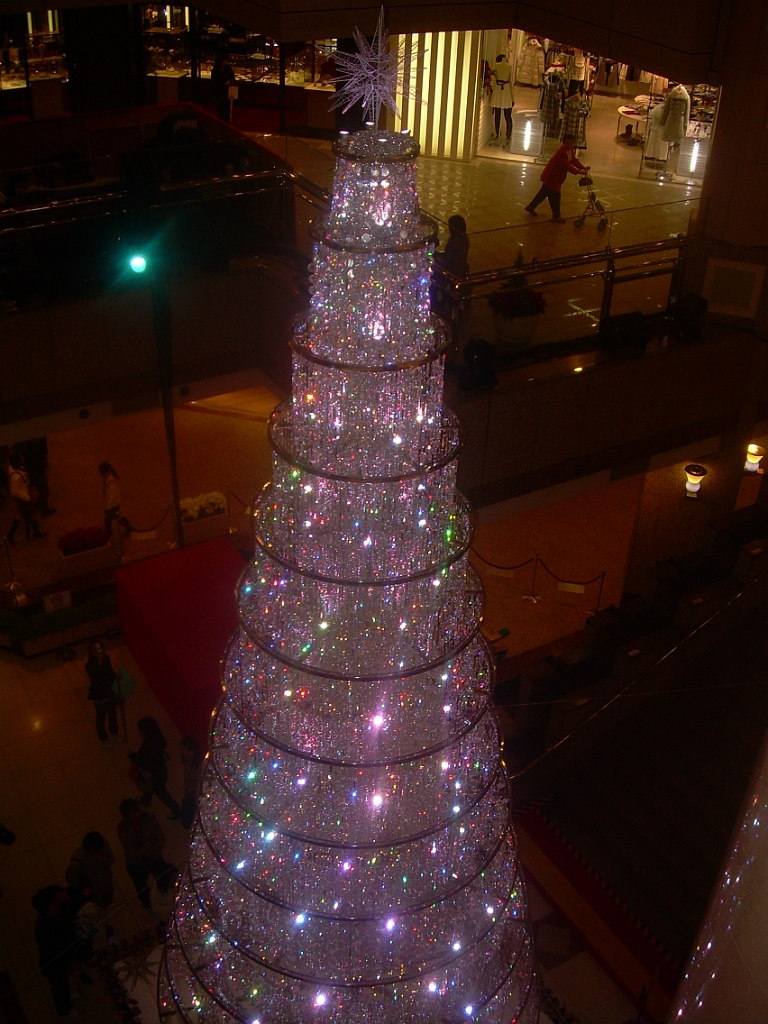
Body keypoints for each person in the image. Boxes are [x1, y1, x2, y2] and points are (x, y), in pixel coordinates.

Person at [117, 799, 177, 915]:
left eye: (137, 812)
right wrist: (148, 848)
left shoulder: (149, 819)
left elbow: (160, 839)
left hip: (154, 857)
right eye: (132, 814)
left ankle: (166, 897)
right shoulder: (123, 828)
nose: (137, 815)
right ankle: (147, 906)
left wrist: (147, 850)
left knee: (163, 877)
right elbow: (130, 850)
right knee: (141, 886)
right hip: (136, 863)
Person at [32, 885, 77, 1017]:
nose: (57, 903)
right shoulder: (43, 924)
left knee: (63, 984)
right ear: (48, 906)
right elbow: (55, 946)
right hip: (53, 963)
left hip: (60, 959)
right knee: (60, 986)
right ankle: (66, 1010)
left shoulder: (55, 916)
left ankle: (68, 1002)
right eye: (54, 902)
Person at [524, 133, 588, 222]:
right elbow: (568, 166)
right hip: (553, 177)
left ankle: (531, 206)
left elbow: (574, 161)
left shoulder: (570, 151)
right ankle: (556, 216)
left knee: (544, 192)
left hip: (553, 176)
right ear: (564, 143)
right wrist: (580, 171)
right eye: (568, 143)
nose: (569, 145)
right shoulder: (561, 153)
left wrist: (583, 168)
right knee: (555, 195)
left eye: (571, 143)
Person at [130, 717, 182, 820]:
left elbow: (144, 763)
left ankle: (177, 811)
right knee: (153, 789)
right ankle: (145, 800)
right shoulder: (158, 737)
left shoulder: (147, 747)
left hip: (154, 776)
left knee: (162, 794)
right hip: (161, 771)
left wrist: (133, 757)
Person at [66, 831, 115, 912]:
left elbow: (111, 860)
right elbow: (72, 887)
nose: (100, 853)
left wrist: (105, 860)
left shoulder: (102, 843)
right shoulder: (77, 864)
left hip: (106, 886)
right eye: (96, 852)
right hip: (93, 896)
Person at [85, 641, 120, 749]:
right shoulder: (89, 666)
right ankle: (104, 738)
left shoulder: (106, 658)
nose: (97, 651)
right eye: (94, 649)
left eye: (99, 648)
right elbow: (96, 680)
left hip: (109, 692)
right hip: (99, 694)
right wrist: (99, 663)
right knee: (101, 718)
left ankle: (114, 732)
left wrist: (116, 677)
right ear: (91, 652)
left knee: (112, 714)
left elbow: (110, 672)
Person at [6, 450, 45, 544]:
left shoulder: (14, 471)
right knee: (31, 514)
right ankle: (35, 531)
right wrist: (26, 498)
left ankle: (11, 535)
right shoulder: (17, 477)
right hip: (23, 499)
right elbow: (15, 491)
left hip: (22, 498)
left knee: (23, 515)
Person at [20, 436, 56, 516]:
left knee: (44, 491)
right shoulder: (31, 447)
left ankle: (44, 509)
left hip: (38, 472)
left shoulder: (31, 445)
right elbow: (35, 460)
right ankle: (35, 507)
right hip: (37, 472)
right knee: (45, 492)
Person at [98, 462, 134, 539]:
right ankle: (109, 531)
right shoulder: (108, 480)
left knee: (116, 517)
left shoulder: (110, 482)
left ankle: (129, 528)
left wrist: (109, 506)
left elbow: (113, 494)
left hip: (112, 504)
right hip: (111, 503)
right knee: (109, 517)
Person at [180, 735, 204, 830]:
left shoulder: (199, 765)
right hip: (190, 794)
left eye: (183, 749)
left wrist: (192, 789)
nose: (181, 752)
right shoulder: (187, 761)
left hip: (195, 796)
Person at [490, 53, 514, 145]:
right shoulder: (502, 69)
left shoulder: (497, 69)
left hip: (501, 93)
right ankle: (506, 135)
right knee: (506, 115)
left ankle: (500, 134)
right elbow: (510, 83)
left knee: (499, 115)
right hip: (505, 92)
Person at [211, 51, 236, 123]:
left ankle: (227, 124)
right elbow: (213, 82)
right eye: (224, 60)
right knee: (220, 110)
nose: (226, 61)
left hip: (227, 92)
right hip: (220, 92)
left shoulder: (228, 68)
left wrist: (230, 82)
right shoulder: (216, 70)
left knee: (227, 110)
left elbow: (233, 78)